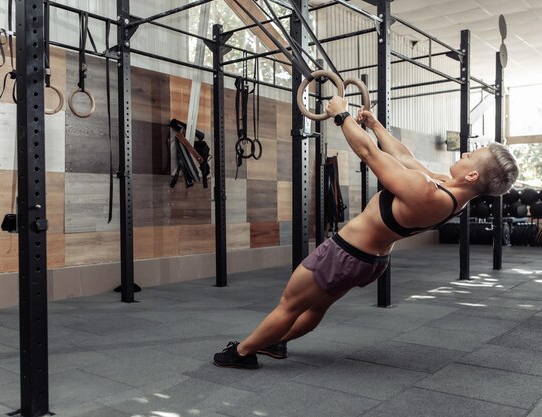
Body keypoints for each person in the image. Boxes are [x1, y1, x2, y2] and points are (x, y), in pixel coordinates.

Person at [213, 95, 519, 369]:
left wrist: (340, 115)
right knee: (318, 304)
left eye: (471, 154)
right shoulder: (453, 197)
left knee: (289, 304)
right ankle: (275, 342)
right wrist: (375, 124)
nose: (464, 152)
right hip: (370, 261)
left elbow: (370, 155)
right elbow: (404, 158)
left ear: (473, 174)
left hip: (345, 253)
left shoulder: (428, 192)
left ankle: (242, 352)